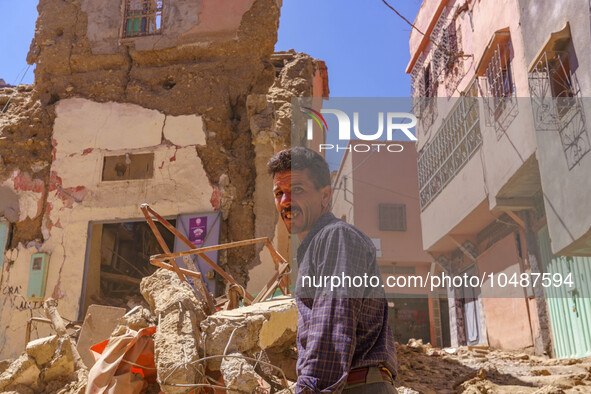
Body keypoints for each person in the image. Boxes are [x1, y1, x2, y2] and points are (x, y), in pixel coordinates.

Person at [267, 147, 398, 393]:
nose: (286, 201)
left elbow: (332, 327)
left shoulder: (335, 237)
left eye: (297, 190)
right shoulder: (317, 245)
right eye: (279, 193)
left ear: (325, 196)